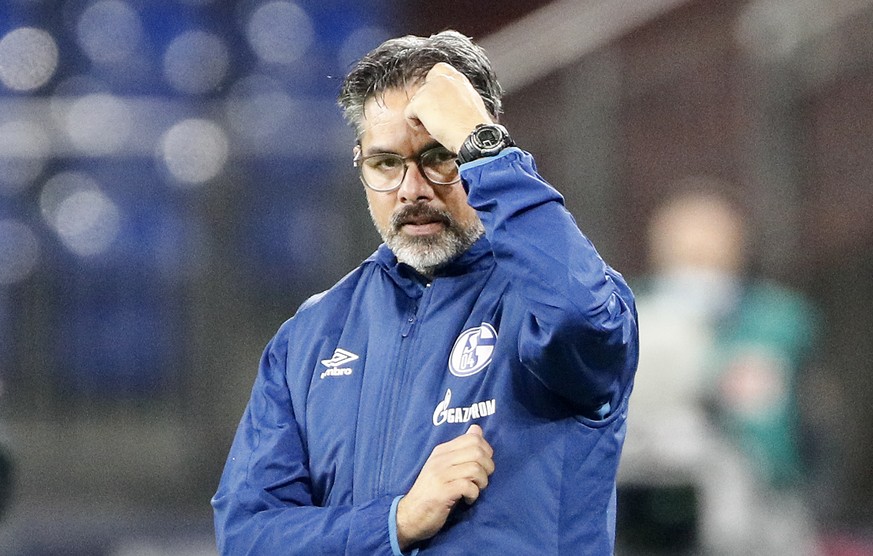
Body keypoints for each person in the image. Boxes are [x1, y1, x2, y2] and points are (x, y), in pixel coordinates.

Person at [212, 30, 638, 555]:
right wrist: (398, 521)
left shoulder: (545, 303)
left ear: (481, 151)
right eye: (386, 163)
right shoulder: (309, 336)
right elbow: (249, 538)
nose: (412, 189)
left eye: (440, 157)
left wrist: (483, 147)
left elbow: (580, 317)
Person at [616, 185, 820, 555]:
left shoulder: (776, 319)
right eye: (684, 243)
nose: (698, 254)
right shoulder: (622, 314)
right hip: (638, 490)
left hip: (761, 504)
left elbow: (814, 422)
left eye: (710, 241)